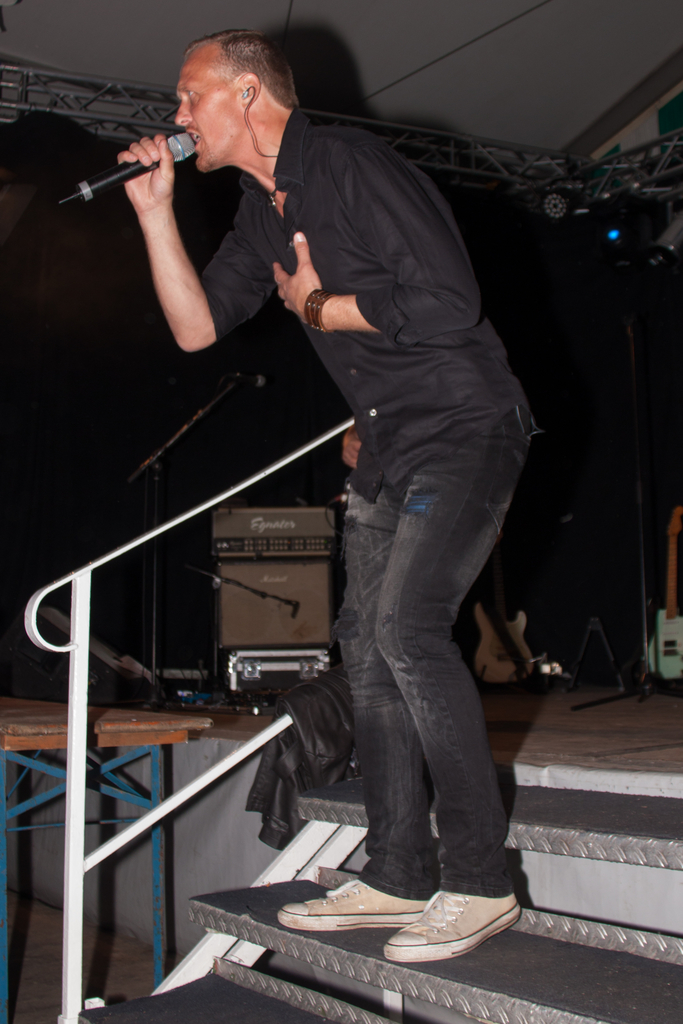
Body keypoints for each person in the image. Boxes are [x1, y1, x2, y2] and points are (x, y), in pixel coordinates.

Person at [119, 29, 534, 963]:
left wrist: (318, 308)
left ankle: (480, 880)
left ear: (248, 93)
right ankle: (396, 869)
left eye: (189, 96)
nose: (177, 117)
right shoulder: (258, 215)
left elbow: (449, 302)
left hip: (465, 424)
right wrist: (154, 214)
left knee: (407, 630)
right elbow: (196, 330)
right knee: (367, 652)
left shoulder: (349, 164)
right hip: (387, 443)